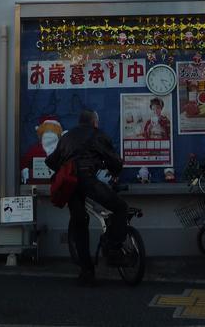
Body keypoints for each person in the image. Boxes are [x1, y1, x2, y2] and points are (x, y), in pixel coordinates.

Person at [45, 108, 127, 286]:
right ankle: (112, 248)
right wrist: (115, 172)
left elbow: (50, 161)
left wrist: (65, 168)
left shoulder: (66, 137)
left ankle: (87, 271)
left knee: (79, 222)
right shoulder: (98, 135)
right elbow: (113, 160)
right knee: (120, 207)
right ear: (94, 122)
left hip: (71, 184)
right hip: (88, 179)